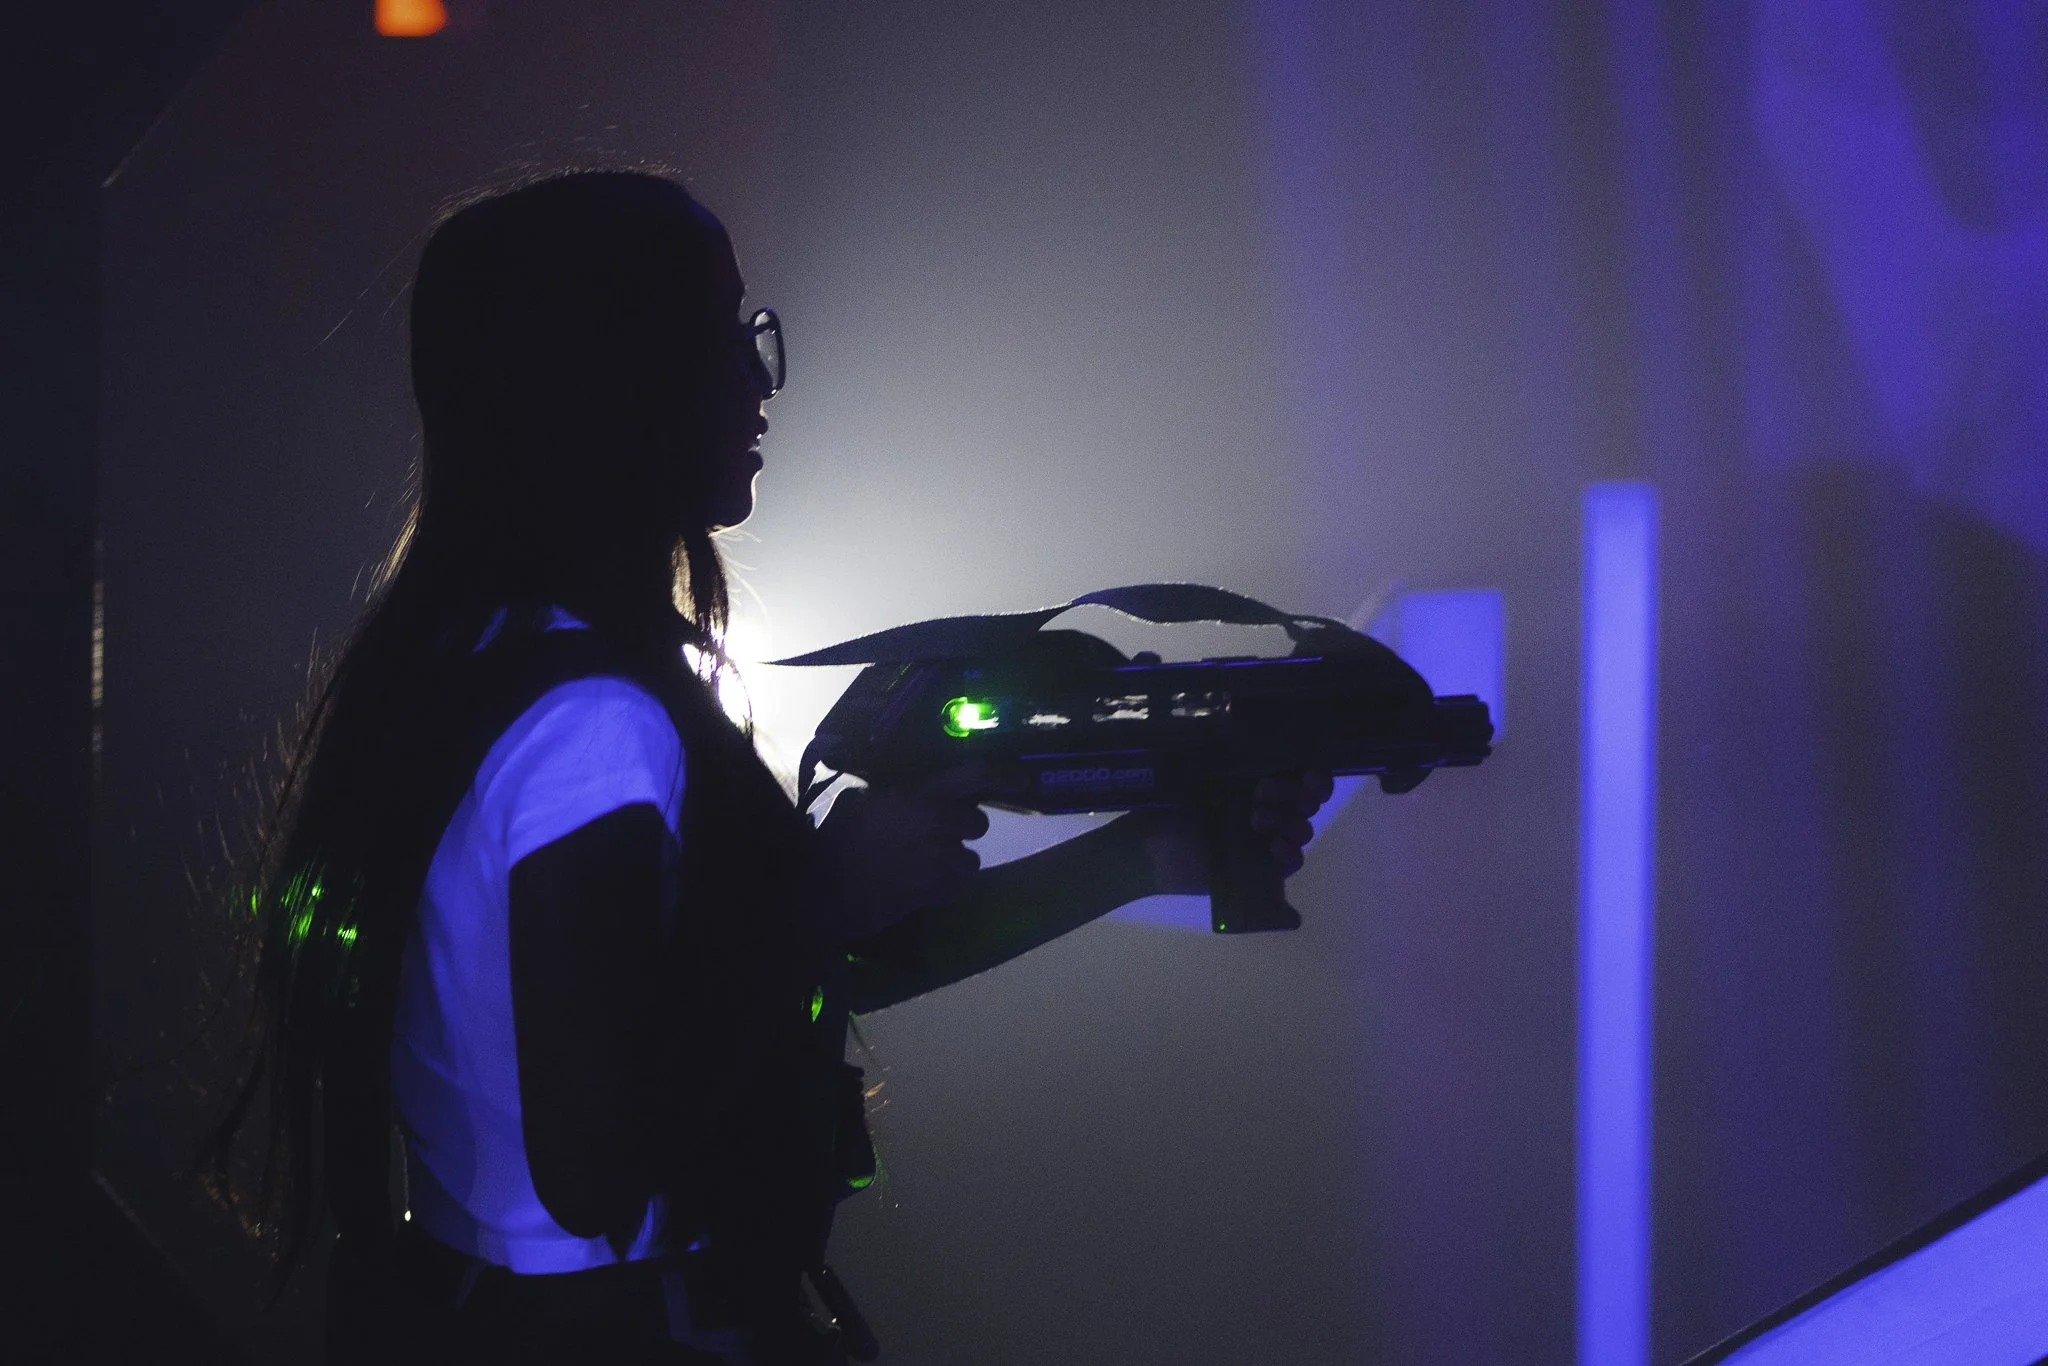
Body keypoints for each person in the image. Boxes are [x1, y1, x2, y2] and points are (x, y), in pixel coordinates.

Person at [199, 169, 1332, 1365]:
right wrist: (826, 892)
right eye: (719, 333)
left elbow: (742, 989)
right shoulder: (594, 723)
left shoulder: (482, 657)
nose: (757, 379)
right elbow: (594, 1165)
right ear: (611, 376)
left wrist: (1146, 853)